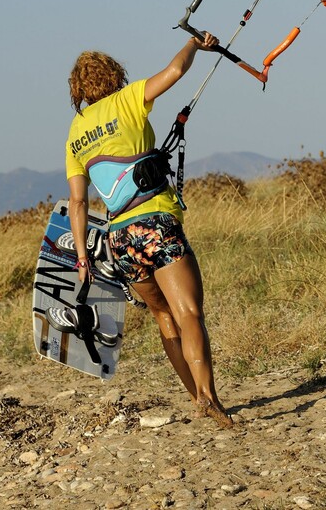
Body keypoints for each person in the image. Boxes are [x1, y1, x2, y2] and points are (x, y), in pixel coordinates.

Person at [65, 33, 233, 427]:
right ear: (113, 75)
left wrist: (82, 257)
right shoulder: (126, 99)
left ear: (79, 90)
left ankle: (196, 398)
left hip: (118, 240)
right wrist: (196, 44)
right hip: (154, 223)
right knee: (189, 311)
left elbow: (77, 202)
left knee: (164, 318)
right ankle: (208, 397)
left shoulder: (76, 132)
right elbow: (175, 71)